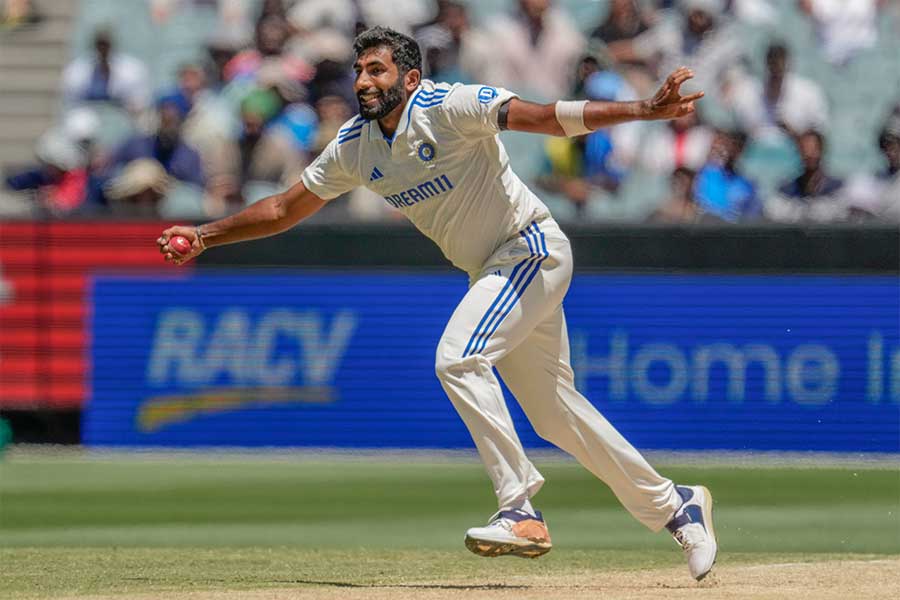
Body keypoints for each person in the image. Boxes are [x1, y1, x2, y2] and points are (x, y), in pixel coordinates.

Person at [157, 27, 717, 581]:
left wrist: (643, 108)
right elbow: (283, 209)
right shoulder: (357, 145)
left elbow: (546, 117)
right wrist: (205, 236)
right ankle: (676, 505)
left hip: (529, 249)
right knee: (552, 414)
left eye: (376, 70)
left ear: (411, 76)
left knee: (457, 357)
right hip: (493, 271)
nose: (363, 81)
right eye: (358, 71)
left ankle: (520, 508)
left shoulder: (450, 104)